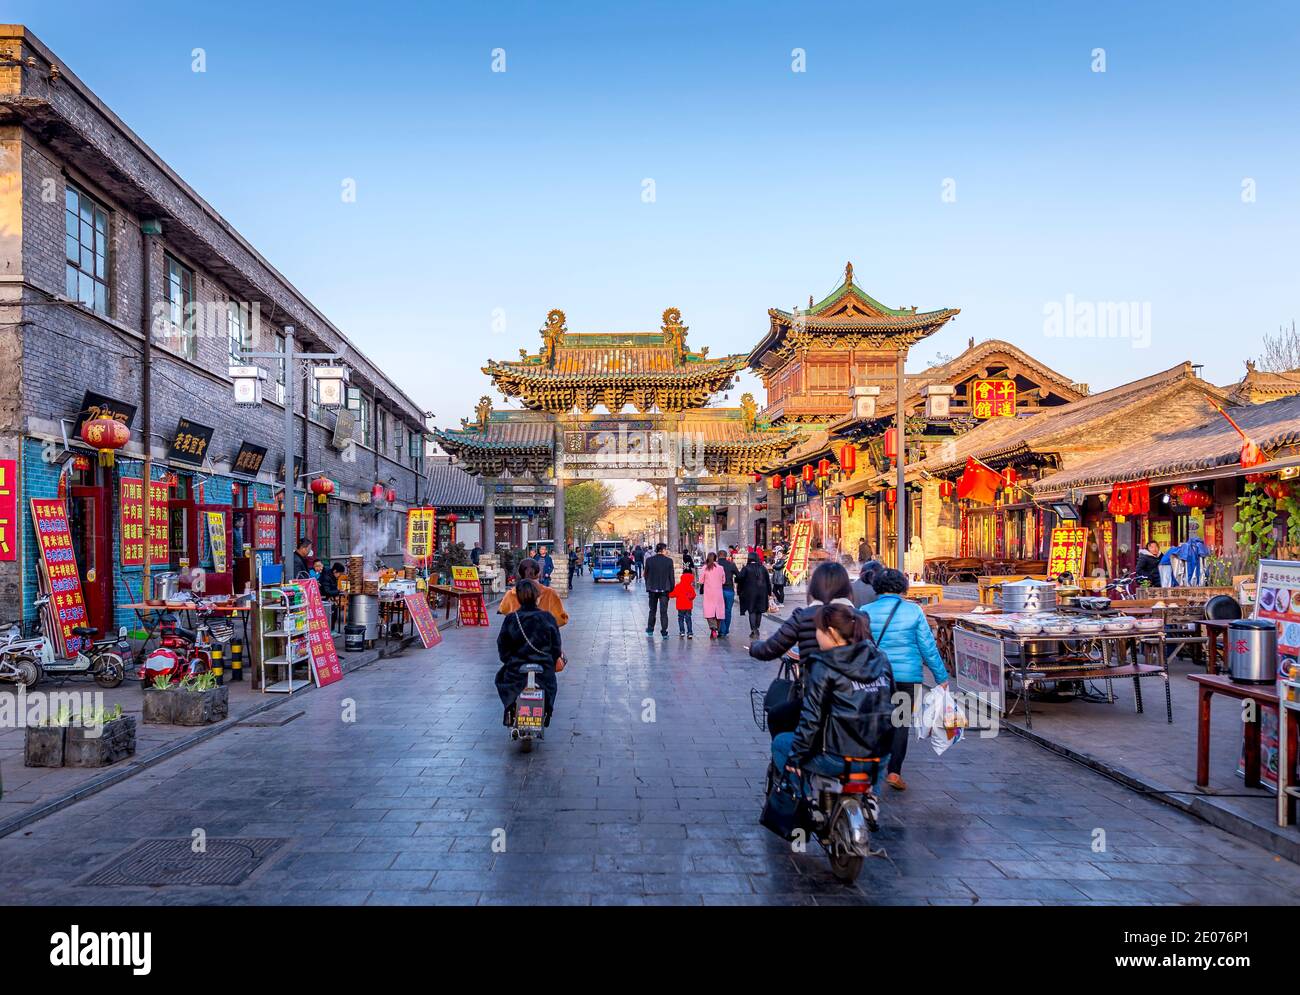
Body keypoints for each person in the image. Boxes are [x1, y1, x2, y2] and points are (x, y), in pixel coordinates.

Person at [770, 603, 894, 797]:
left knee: (781, 744)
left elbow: (811, 718)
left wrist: (796, 758)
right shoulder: (880, 657)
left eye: (818, 630)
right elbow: (892, 703)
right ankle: (871, 798)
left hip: (838, 756)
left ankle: (804, 803)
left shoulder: (822, 664)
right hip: (881, 753)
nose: (816, 635)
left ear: (831, 632)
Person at [862, 569, 949, 792]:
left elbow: (859, 646)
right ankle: (894, 772)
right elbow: (928, 647)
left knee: (877, 719)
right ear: (903, 587)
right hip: (908, 677)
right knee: (901, 723)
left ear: (877, 587)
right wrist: (941, 677)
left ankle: (870, 767)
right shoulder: (914, 611)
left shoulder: (865, 611)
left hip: (875, 676)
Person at [750, 561, 859, 662]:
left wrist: (754, 647)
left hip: (813, 681)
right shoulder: (859, 617)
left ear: (815, 587)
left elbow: (771, 648)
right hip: (853, 680)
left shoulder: (802, 617)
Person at [494, 579, 562, 728]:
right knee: (551, 687)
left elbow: (502, 645)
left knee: (500, 679)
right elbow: (556, 646)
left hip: (516, 669)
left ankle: (510, 710)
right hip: (543, 669)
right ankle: (547, 712)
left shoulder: (512, 619)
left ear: (517, 597)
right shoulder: (548, 618)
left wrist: (508, 660)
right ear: (538, 596)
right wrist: (551, 659)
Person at [499, 557, 568, 626]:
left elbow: (503, 610)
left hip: (518, 634)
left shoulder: (511, 593)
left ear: (520, 574)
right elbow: (561, 619)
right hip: (542, 634)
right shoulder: (550, 593)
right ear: (539, 573)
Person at [736, 550, 772, 639]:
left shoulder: (746, 568)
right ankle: (757, 628)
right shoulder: (763, 568)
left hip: (750, 593)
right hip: (762, 593)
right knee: (759, 611)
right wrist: (769, 592)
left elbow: (739, 578)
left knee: (752, 611)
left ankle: (753, 630)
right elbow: (768, 581)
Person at [643, 542, 675, 638]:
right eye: (666, 550)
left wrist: (648, 585)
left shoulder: (649, 560)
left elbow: (646, 575)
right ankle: (664, 632)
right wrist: (672, 588)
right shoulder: (669, 561)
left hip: (652, 589)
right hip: (664, 590)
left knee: (652, 610)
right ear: (663, 550)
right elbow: (671, 577)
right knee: (663, 612)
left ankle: (650, 630)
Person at [700, 551, 726, 638]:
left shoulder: (705, 568)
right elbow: (724, 581)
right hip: (718, 593)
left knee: (709, 611)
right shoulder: (721, 568)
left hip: (708, 593)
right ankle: (716, 629)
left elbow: (701, 581)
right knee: (718, 612)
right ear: (716, 558)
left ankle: (713, 629)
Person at [718, 549, 738, 637]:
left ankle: (721, 630)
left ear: (718, 556)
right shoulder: (731, 564)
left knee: (719, 611)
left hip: (718, 590)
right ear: (726, 556)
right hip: (729, 590)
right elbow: (739, 575)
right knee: (728, 611)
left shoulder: (715, 565)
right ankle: (726, 630)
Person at [671, 566, 697, 638]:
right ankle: (690, 632)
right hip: (688, 606)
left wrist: (668, 594)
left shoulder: (678, 586)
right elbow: (694, 595)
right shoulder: (690, 587)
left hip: (680, 606)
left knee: (681, 618)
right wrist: (689, 597)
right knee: (688, 619)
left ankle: (682, 631)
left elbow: (673, 594)